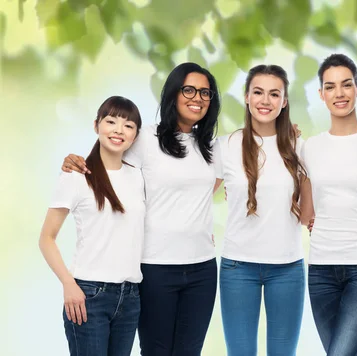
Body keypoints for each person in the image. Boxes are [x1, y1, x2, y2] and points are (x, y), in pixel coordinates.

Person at [61, 62, 222, 355]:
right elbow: (110, 159)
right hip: (155, 266)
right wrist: (75, 160)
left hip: (203, 270)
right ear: (173, 93)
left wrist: (193, 220)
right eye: (189, 90)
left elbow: (209, 187)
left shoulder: (211, 146)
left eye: (205, 92)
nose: (197, 97)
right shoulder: (147, 138)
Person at [300, 54, 357, 356]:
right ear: (321, 94)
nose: (339, 93)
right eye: (331, 87)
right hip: (320, 268)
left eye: (346, 85)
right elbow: (304, 205)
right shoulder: (310, 148)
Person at [39, 96, 144, 355]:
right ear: (96, 125)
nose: (119, 130)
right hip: (88, 295)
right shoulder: (76, 176)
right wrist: (68, 284)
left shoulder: (138, 175)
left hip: (130, 297)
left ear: (135, 135)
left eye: (128, 125)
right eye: (111, 121)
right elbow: (47, 238)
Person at [213, 64, 306, 356]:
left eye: (274, 94)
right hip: (238, 266)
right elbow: (195, 192)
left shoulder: (298, 145)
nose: (265, 100)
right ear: (246, 97)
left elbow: (311, 210)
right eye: (258, 92)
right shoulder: (224, 146)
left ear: (284, 101)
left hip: (288, 267)